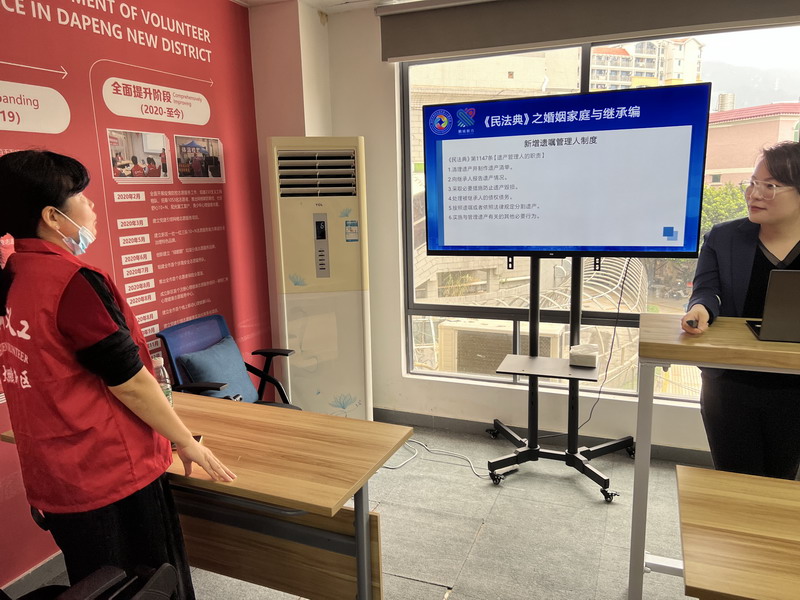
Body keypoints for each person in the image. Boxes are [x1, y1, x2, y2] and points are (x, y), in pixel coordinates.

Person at [0, 150, 235, 598]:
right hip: (109, 473)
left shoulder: (16, 274)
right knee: (148, 584)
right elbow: (130, 382)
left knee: (97, 582)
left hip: (56, 474)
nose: (91, 205)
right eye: (81, 196)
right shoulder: (70, 281)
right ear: (52, 216)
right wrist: (185, 441)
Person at [681, 141, 800, 480]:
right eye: (752, 183)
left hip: (795, 387)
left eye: (770, 186)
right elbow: (707, 290)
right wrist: (701, 309)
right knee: (735, 480)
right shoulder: (723, 238)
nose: (754, 194)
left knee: (782, 482)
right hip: (731, 383)